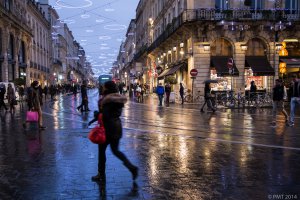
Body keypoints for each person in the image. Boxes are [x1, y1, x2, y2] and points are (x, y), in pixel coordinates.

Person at [91, 81, 138, 183]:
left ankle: (101, 175)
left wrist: (97, 114)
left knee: (101, 152)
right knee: (116, 150)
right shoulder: (117, 99)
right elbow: (112, 113)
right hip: (117, 127)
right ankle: (132, 168)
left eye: (104, 87)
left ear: (107, 88)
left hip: (107, 129)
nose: (102, 88)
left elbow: (106, 115)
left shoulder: (108, 100)